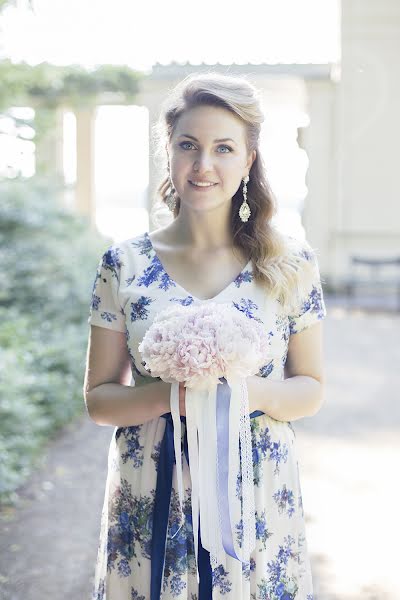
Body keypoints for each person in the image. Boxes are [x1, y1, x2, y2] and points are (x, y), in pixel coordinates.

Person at [84, 72, 327, 600]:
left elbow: (309, 388)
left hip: (257, 485)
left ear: (249, 159)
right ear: (168, 153)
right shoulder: (122, 264)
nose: (203, 165)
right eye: (188, 146)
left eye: (223, 148)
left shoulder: (290, 264)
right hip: (150, 481)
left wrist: (238, 392)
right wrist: (179, 393)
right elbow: (100, 401)